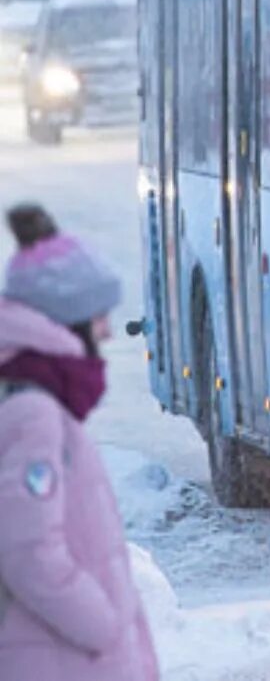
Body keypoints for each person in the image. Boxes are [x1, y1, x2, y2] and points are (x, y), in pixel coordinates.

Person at [0, 204, 158, 680]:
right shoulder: (34, 414)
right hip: (61, 660)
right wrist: (103, 625)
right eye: (97, 317)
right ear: (65, 322)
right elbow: (28, 551)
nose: (107, 330)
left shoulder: (42, 404)